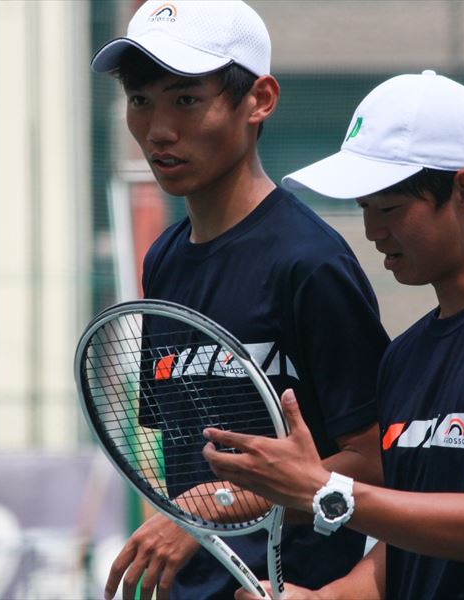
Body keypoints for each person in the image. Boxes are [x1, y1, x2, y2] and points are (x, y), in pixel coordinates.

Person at [204, 71, 464, 599]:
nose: (371, 230)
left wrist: (323, 487)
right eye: (364, 209)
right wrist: (326, 598)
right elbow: (413, 535)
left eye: (389, 208)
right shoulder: (404, 356)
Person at [89, 2, 390, 599]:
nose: (158, 129)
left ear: (260, 100)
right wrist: (189, 516)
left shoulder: (310, 262)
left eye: (186, 100)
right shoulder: (165, 261)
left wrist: (209, 509)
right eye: (141, 100)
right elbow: (186, 456)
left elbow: (380, 461)